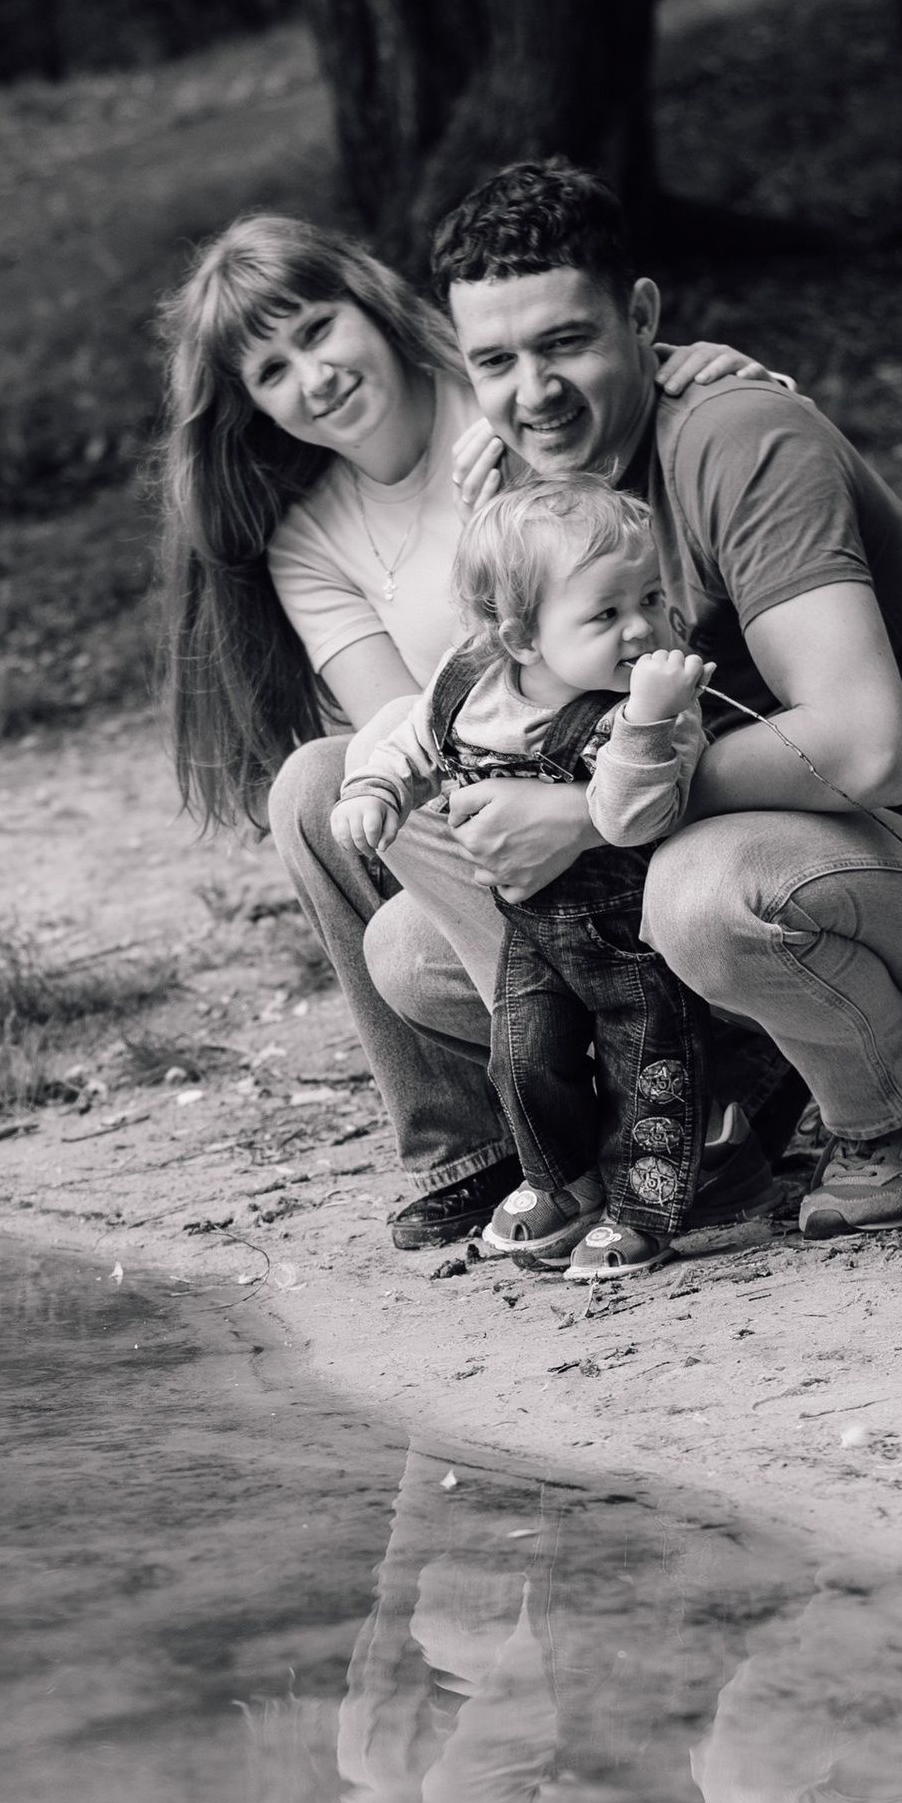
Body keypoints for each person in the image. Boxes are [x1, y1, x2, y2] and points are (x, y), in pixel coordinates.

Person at [425, 159, 902, 1236]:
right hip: (752, 851)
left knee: (703, 891)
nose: (532, 392)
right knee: (413, 949)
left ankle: (898, 1113)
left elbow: (867, 751)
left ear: (641, 317)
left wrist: (589, 814)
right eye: (495, 361)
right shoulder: (543, 478)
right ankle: (664, 1131)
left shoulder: (740, 441)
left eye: (565, 343)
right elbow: (497, 708)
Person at [155, 215, 766, 1251]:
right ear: (249, 404)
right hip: (498, 784)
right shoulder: (309, 537)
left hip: (622, 755)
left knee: (393, 892)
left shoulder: (495, 405)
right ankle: (485, 1144)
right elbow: (417, 714)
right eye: (271, 370)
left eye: (317, 329)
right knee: (324, 780)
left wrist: (703, 371)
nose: (314, 376)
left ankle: (644, 1094)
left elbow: (625, 440)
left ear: (369, 303)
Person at [333, 479, 711, 1281]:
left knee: (646, 1069)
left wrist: (648, 719)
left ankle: (641, 1213)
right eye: (606, 614)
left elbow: (632, 818)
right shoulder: (471, 681)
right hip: (533, 926)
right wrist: (376, 789)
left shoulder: (654, 706)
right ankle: (562, 1183)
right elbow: (417, 741)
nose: (642, 627)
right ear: (521, 638)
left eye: (651, 598)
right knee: (524, 1056)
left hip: (637, 935)